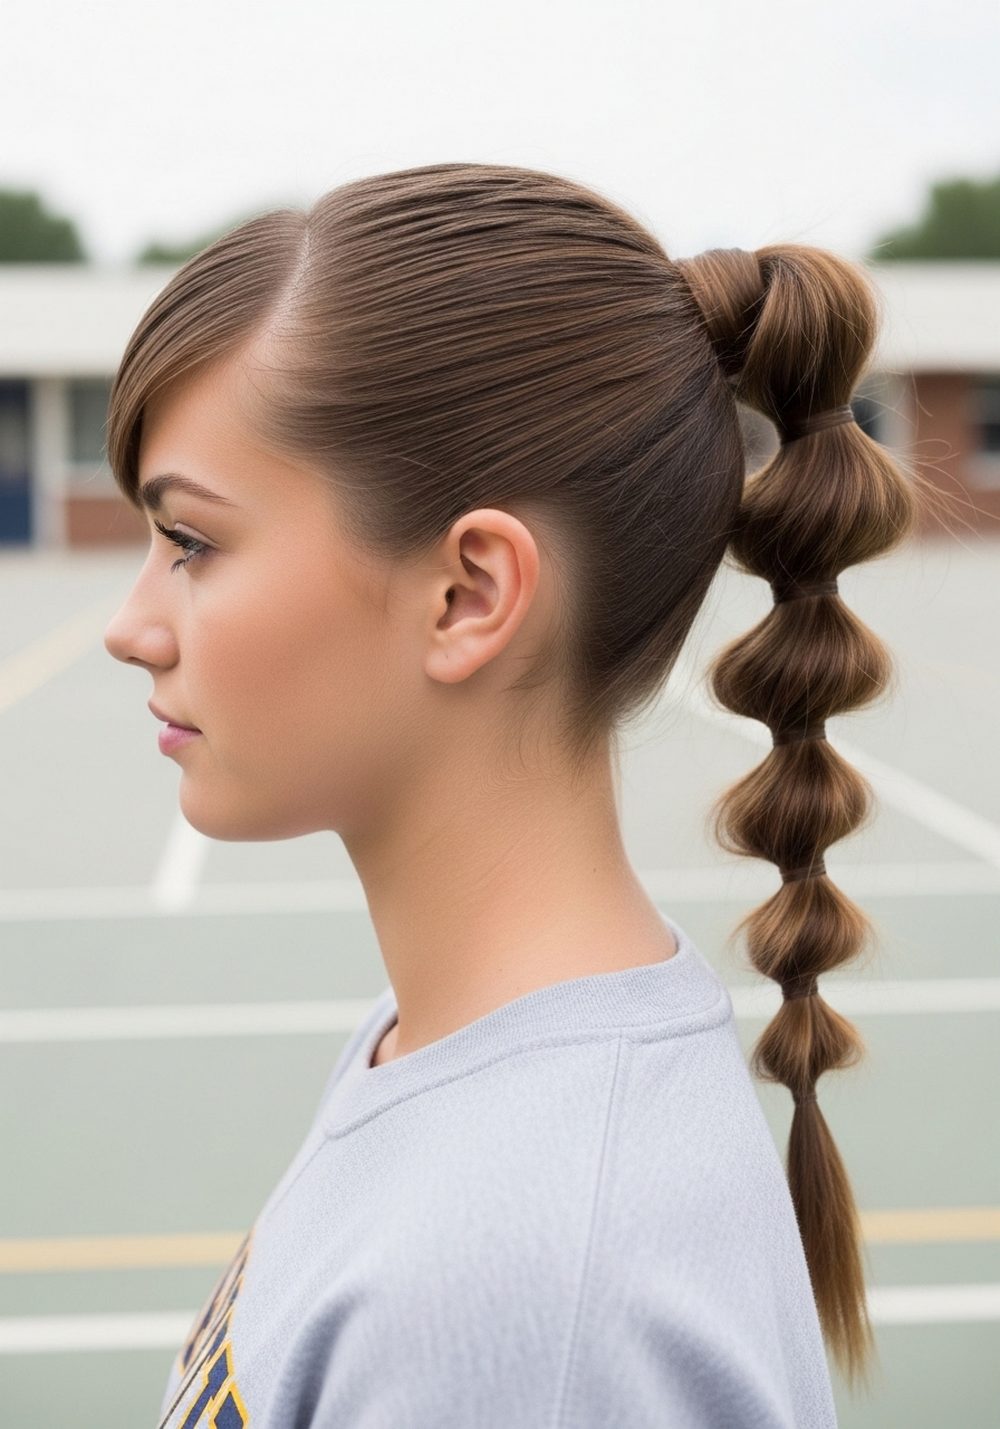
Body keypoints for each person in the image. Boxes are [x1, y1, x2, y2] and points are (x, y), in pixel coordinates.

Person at [103, 162, 937, 1428]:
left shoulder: (511, 1303)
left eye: (193, 543)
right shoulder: (451, 1043)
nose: (131, 626)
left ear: (470, 595)